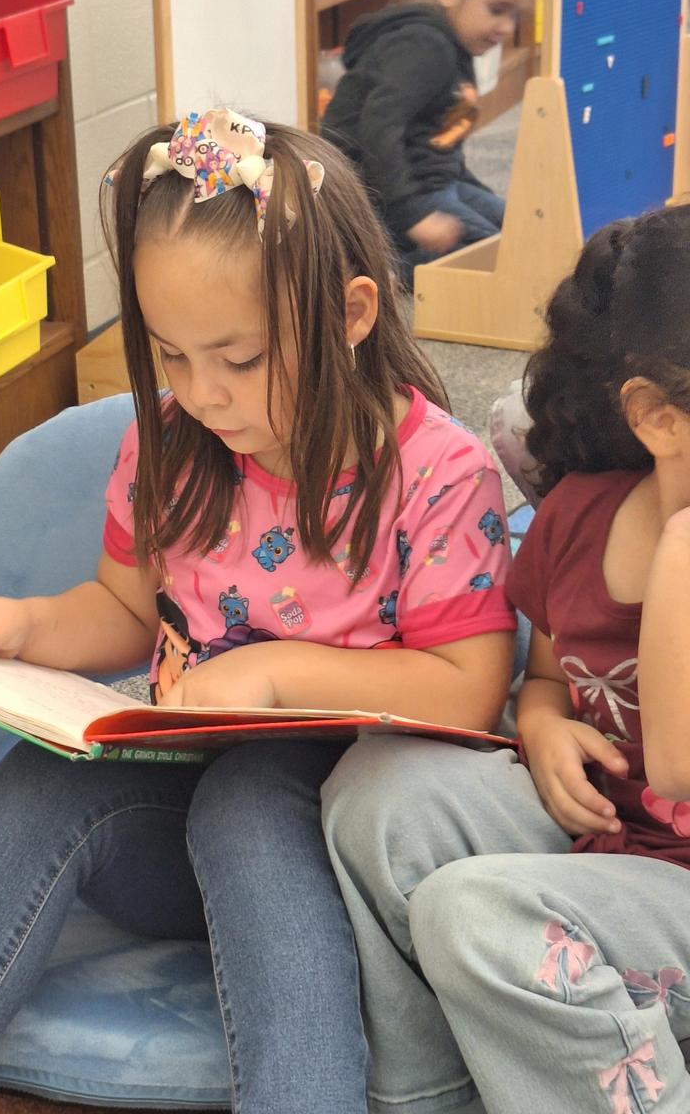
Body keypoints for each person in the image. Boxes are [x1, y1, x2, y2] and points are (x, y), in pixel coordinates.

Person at [0, 107, 516, 1114]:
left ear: (353, 313)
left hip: (339, 862)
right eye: (172, 356)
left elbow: (472, 692)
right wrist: (30, 628)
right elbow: (124, 609)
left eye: (238, 357)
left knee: (252, 795)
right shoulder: (173, 442)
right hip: (173, 836)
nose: (204, 394)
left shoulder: (440, 473)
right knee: (44, 778)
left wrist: (274, 673)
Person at [322, 203, 690, 1114]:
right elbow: (539, 678)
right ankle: (434, 1095)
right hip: (601, 848)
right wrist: (545, 726)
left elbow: (679, 765)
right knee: (379, 791)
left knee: (475, 913)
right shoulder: (578, 520)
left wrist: (682, 555)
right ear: (655, 416)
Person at [320, 0, 537, 285]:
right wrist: (413, 214)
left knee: (521, 231)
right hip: (379, 187)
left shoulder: (459, 48)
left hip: (429, 181)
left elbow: (440, 142)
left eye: (514, 16)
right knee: (494, 255)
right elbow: (377, 129)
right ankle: (380, 269)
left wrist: (476, 195)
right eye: (497, 10)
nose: (506, 28)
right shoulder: (426, 48)